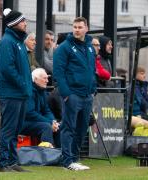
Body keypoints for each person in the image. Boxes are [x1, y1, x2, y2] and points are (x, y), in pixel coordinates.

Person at [53, 17, 96, 170]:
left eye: (80, 27)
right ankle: (67, 161)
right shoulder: (64, 47)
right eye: (75, 27)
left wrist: (93, 89)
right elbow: (58, 72)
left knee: (82, 128)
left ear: (86, 28)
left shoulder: (90, 47)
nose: (77, 30)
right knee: (68, 128)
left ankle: (74, 159)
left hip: (87, 95)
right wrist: (66, 94)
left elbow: (92, 71)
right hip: (72, 95)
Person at [0, 8, 32, 172]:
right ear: (15, 23)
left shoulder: (18, 42)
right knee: (9, 129)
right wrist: (23, 84)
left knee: (16, 130)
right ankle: (4, 163)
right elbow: (7, 69)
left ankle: (11, 161)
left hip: (20, 94)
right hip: (11, 93)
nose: (26, 23)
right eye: (23, 21)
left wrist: (26, 87)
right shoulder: (6, 42)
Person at [20, 68, 60, 148]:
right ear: (35, 79)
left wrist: (53, 121)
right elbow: (30, 113)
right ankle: (46, 155)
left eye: (47, 78)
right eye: (44, 78)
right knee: (46, 127)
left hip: (35, 122)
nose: (47, 81)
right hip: (23, 123)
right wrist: (49, 122)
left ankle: (60, 154)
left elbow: (46, 110)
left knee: (59, 126)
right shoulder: (29, 91)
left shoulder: (42, 92)